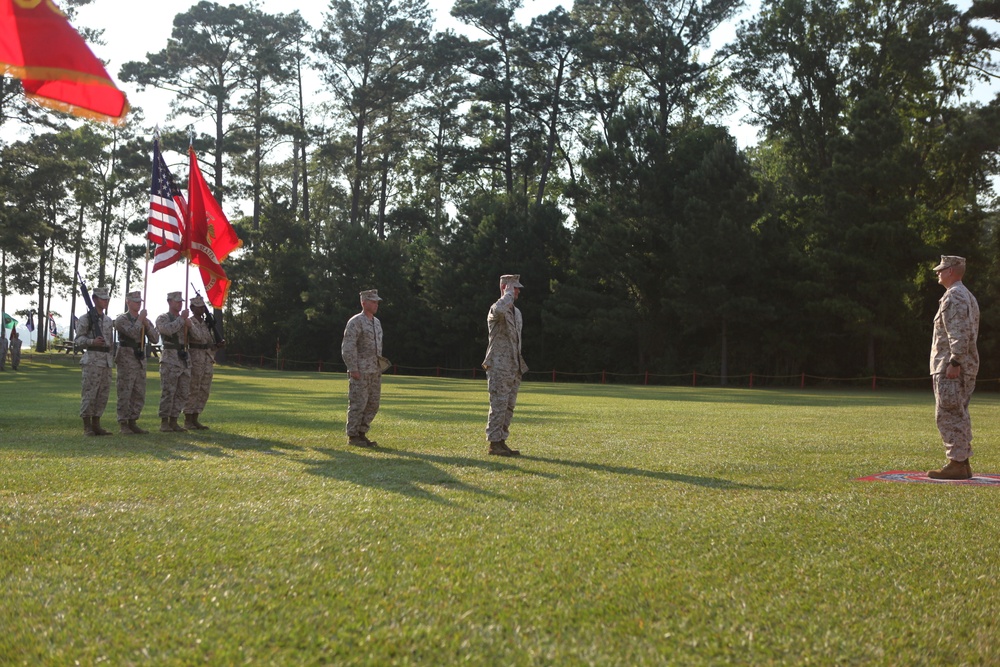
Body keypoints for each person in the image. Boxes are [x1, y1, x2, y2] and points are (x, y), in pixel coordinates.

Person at [928, 255, 980, 480]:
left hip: (952, 366)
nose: (938, 273)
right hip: (960, 364)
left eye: (941, 269)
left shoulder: (954, 296)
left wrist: (955, 361)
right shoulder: (966, 295)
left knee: (948, 413)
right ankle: (962, 463)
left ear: (950, 271)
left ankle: (957, 463)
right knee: (958, 412)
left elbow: (959, 331)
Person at [482, 274, 528, 457]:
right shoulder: (496, 309)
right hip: (499, 366)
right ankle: (494, 444)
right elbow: (499, 310)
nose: (517, 291)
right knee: (498, 404)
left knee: (508, 406)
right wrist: (507, 295)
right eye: (513, 288)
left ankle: (502, 441)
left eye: (516, 288)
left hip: (513, 366)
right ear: (505, 288)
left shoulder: (516, 313)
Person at [341, 289, 385, 447]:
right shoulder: (355, 322)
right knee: (358, 403)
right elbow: (348, 347)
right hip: (360, 370)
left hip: (375, 370)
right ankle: (353, 436)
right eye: (373, 302)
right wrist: (353, 368)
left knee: (372, 404)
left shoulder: (377, 322)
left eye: (377, 302)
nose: (376, 304)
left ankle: (362, 433)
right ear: (363, 302)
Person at [114, 291, 159, 434]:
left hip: (139, 360)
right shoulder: (122, 319)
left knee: (139, 392)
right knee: (125, 391)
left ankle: (133, 421)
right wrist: (140, 320)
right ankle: (123, 423)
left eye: (140, 301)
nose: (138, 303)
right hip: (126, 358)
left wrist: (146, 324)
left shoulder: (144, 319)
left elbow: (155, 339)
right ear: (128, 302)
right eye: (135, 301)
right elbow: (133, 333)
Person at [75, 286, 115, 436]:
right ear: (94, 300)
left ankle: (97, 424)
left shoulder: (108, 320)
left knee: (102, 394)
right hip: (92, 360)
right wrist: (92, 341)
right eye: (102, 298)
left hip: (105, 361)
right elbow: (78, 340)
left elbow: (110, 342)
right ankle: (87, 426)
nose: (105, 301)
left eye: (106, 299)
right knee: (90, 393)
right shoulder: (85, 319)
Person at [183, 295, 221, 430]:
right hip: (195, 357)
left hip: (207, 357)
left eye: (202, 306)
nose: (201, 309)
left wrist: (216, 346)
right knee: (193, 388)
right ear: (192, 308)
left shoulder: (206, 323)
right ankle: (188, 419)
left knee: (204, 389)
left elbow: (208, 341)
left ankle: (196, 417)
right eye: (198, 306)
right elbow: (197, 337)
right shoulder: (189, 322)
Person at [156, 291, 191, 433]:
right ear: (169, 302)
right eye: (176, 301)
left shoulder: (184, 319)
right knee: (168, 391)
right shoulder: (163, 318)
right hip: (170, 358)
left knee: (182, 392)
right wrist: (181, 320)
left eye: (181, 301)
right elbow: (167, 331)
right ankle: (164, 422)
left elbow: (195, 336)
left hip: (183, 359)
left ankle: (174, 420)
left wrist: (189, 324)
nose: (179, 303)